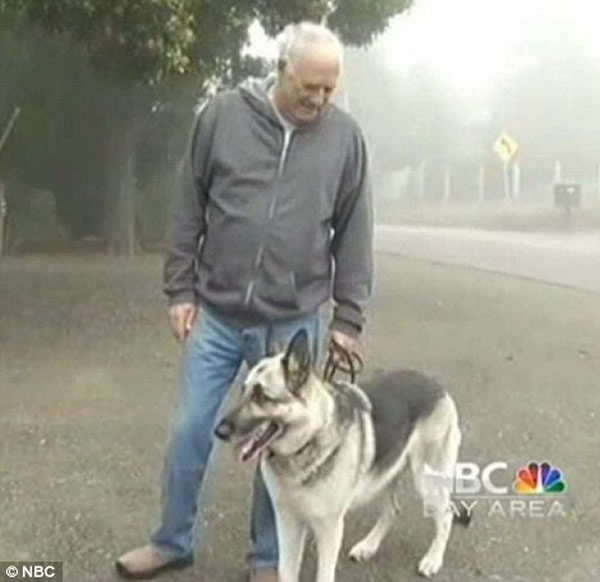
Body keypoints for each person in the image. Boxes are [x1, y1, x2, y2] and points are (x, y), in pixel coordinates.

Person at [115, 20, 373, 582]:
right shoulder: (223, 116)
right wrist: (180, 288)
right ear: (282, 69)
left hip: (293, 319)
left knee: (281, 441)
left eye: (330, 88)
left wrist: (348, 317)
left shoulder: (345, 138)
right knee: (190, 430)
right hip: (218, 312)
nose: (319, 99)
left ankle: (268, 560)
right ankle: (172, 541)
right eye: (309, 86)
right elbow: (190, 203)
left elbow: (355, 231)